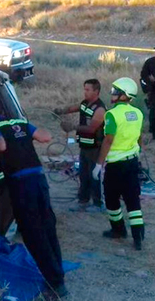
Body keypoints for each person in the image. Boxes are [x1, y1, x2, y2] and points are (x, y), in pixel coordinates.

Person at [0, 101, 68, 298]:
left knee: (34, 233)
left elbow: (0, 145)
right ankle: (58, 275)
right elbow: (45, 137)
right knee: (48, 227)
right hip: (39, 180)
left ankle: (55, 284)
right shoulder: (20, 123)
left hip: (22, 184)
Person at [92, 78, 145, 250]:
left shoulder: (112, 115)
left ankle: (119, 230)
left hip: (115, 166)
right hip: (132, 163)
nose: (112, 94)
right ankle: (138, 237)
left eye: (115, 91)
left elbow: (108, 141)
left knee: (112, 199)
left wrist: (99, 165)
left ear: (124, 95)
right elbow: (139, 137)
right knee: (133, 201)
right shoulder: (138, 113)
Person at [54, 79, 106, 212]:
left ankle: (97, 203)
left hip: (94, 148)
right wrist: (62, 110)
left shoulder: (100, 109)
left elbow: (92, 128)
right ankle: (83, 200)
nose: (85, 92)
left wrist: (72, 127)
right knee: (83, 174)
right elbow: (74, 108)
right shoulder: (85, 104)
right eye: (84, 89)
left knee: (93, 175)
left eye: (88, 90)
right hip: (84, 146)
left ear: (96, 91)